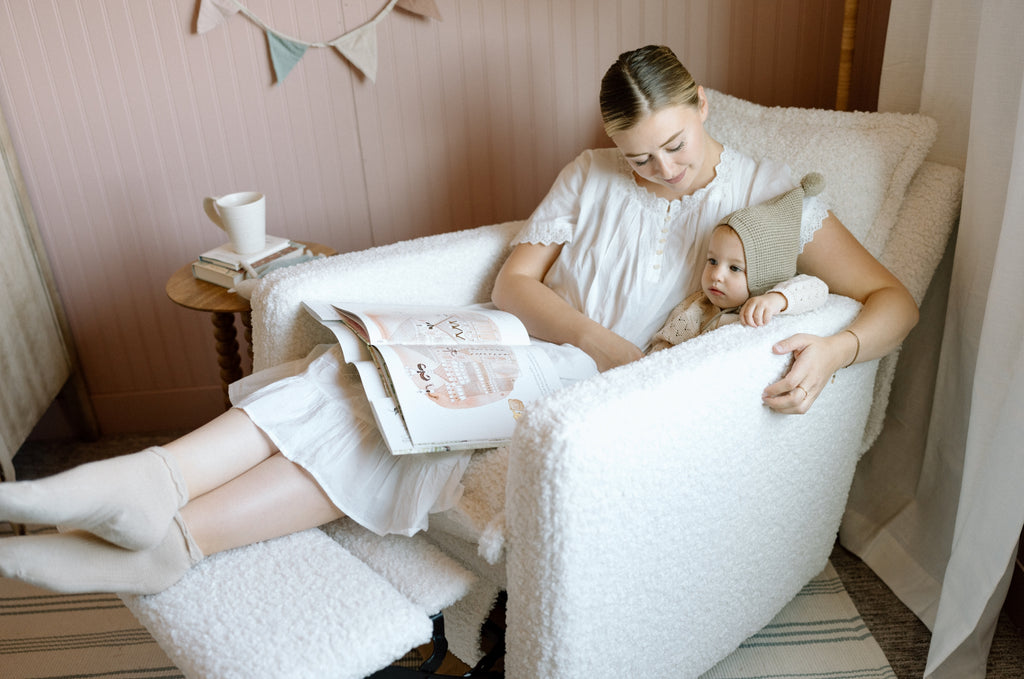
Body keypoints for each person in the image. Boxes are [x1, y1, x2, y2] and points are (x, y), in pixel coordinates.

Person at [0, 45, 918, 595]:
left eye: (673, 146)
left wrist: (838, 346)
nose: (661, 172)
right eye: (637, 157)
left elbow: (893, 301)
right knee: (350, 375)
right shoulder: (589, 173)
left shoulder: (771, 197)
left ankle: (174, 526)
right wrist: (594, 334)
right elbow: (518, 283)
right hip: (533, 340)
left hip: (601, 390)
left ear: (703, 105)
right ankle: (160, 494)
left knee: (391, 422)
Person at [647, 172, 829, 353]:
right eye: (712, 261)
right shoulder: (697, 309)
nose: (716, 275)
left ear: (765, 275)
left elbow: (818, 289)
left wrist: (776, 300)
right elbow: (664, 346)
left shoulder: (773, 302)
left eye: (734, 268)